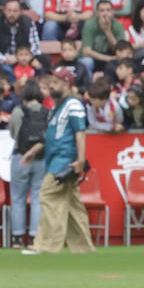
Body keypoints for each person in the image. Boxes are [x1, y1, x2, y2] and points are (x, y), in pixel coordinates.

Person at [24, 68, 92, 255]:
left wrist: (80, 160)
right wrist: (34, 151)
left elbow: (80, 134)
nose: (50, 87)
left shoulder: (74, 105)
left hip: (63, 162)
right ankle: (83, 248)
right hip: (56, 159)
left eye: (55, 83)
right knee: (72, 206)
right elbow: (52, 136)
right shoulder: (57, 107)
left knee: (48, 196)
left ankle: (45, 246)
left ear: (67, 83)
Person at [8, 80, 48, 248]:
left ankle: (17, 238)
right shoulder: (47, 112)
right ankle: (34, 237)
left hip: (21, 156)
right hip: (40, 158)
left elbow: (13, 133)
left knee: (18, 198)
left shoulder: (18, 111)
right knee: (38, 198)